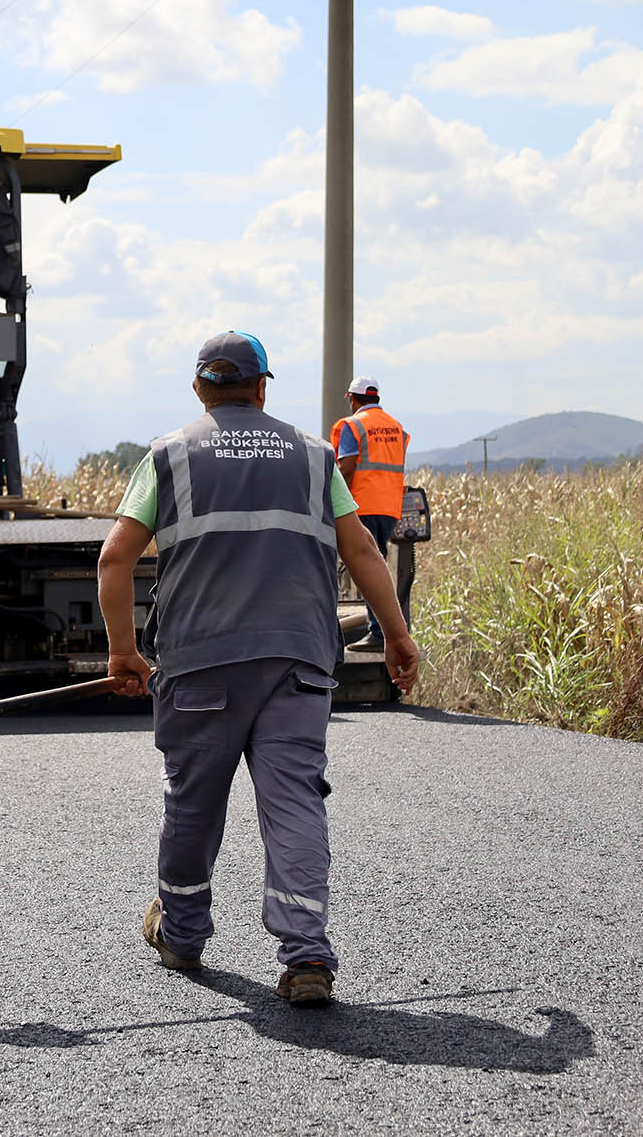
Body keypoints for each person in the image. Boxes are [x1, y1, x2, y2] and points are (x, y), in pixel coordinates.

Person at [97, 332, 419, 1009]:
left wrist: (123, 650)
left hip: (200, 661)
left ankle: (182, 934)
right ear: (263, 387)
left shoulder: (168, 455)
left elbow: (114, 558)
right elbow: (361, 549)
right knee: (294, 800)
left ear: (199, 388)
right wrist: (396, 634)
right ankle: (306, 956)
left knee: (193, 802)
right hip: (298, 658)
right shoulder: (313, 455)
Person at [331, 377, 411, 653]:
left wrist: (332, 502)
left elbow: (347, 467)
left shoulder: (353, 425)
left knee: (364, 565)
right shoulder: (395, 426)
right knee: (378, 561)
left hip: (361, 503)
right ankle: (385, 629)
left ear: (352, 399)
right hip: (389, 506)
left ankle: (378, 633)